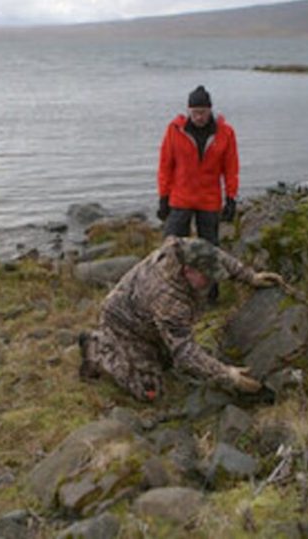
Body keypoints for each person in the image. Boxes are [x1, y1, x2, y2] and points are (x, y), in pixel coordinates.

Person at [78, 236, 283, 401]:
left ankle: (150, 349)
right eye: (206, 277)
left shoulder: (190, 250)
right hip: (125, 325)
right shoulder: (166, 295)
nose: (212, 282)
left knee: (171, 365)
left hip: (150, 317)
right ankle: (97, 349)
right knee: (150, 391)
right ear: (188, 271)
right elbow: (184, 352)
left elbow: (217, 257)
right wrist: (228, 375)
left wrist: (250, 276)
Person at [157, 85, 240, 245]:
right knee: (172, 246)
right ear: (188, 111)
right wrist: (163, 197)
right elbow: (165, 166)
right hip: (181, 197)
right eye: (195, 112)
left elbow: (231, 169)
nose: (199, 117)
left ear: (210, 110)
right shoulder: (175, 130)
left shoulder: (225, 133)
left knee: (209, 248)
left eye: (203, 112)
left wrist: (231, 198)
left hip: (209, 199)